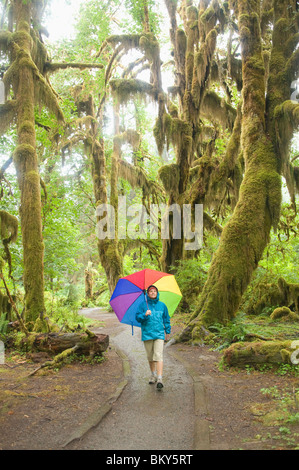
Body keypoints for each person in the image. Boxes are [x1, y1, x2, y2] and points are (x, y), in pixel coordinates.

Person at [135, 285, 171, 389]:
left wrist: (167, 331)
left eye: (154, 291)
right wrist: (144, 315)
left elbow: (166, 319)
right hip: (147, 334)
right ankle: (153, 375)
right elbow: (137, 318)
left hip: (159, 334)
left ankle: (160, 378)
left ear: (157, 293)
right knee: (150, 357)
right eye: (150, 291)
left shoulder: (162, 305)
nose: (153, 292)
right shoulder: (143, 305)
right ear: (148, 293)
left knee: (158, 355)